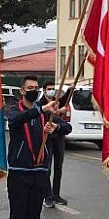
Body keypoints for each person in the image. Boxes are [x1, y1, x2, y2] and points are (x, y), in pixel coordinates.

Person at [6, 75, 71, 219]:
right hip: (19, 174)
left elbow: (67, 127)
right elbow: (17, 120)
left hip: (40, 173)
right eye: (30, 88)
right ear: (22, 91)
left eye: (36, 87)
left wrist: (55, 129)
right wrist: (40, 109)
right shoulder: (14, 111)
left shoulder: (46, 115)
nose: (34, 90)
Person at [38, 80, 73, 208]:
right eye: (49, 88)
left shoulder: (56, 100)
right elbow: (45, 115)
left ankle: (56, 194)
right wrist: (58, 112)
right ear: (44, 90)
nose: (51, 90)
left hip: (59, 138)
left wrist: (70, 89)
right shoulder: (41, 104)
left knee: (58, 167)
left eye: (53, 88)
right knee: (47, 168)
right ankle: (48, 196)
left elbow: (64, 100)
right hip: (46, 139)